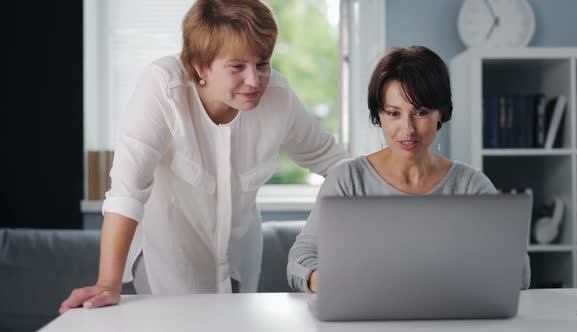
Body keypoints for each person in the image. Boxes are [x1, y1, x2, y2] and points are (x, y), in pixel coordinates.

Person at [59, 0, 347, 314]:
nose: (254, 80)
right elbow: (127, 192)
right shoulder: (163, 87)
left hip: (238, 262)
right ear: (200, 65)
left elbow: (338, 166)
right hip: (168, 259)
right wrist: (106, 284)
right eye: (237, 67)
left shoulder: (278, 97)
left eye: (262, 63)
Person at [287, 46, 531, 293]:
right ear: (379, 115)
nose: (408, 129)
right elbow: (300, 258)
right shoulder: (347, 179)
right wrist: (331, 283)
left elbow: (518, 273)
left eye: (421, 112)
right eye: (393, 113)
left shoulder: (471, 185)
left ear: (440, 114)